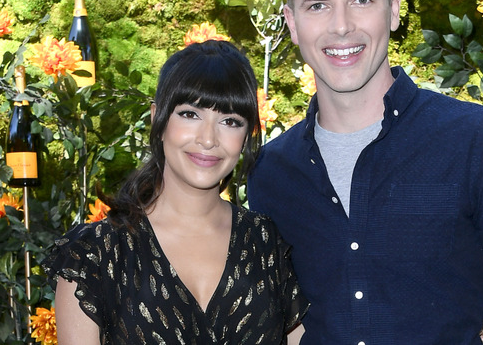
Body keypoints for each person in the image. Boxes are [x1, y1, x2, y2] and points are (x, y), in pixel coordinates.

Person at [246, 0, 483, 344]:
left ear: (393, 8)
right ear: (292, 23)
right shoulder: (271, 174)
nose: (341, 26)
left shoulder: (478, 141)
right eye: (318, 5)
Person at [43, 40, 308, 344]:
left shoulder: (266, 243)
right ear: (158, 117)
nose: (208, 139)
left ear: (247, 135)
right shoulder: (95, 255)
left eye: (230, 121)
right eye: (190, 114)